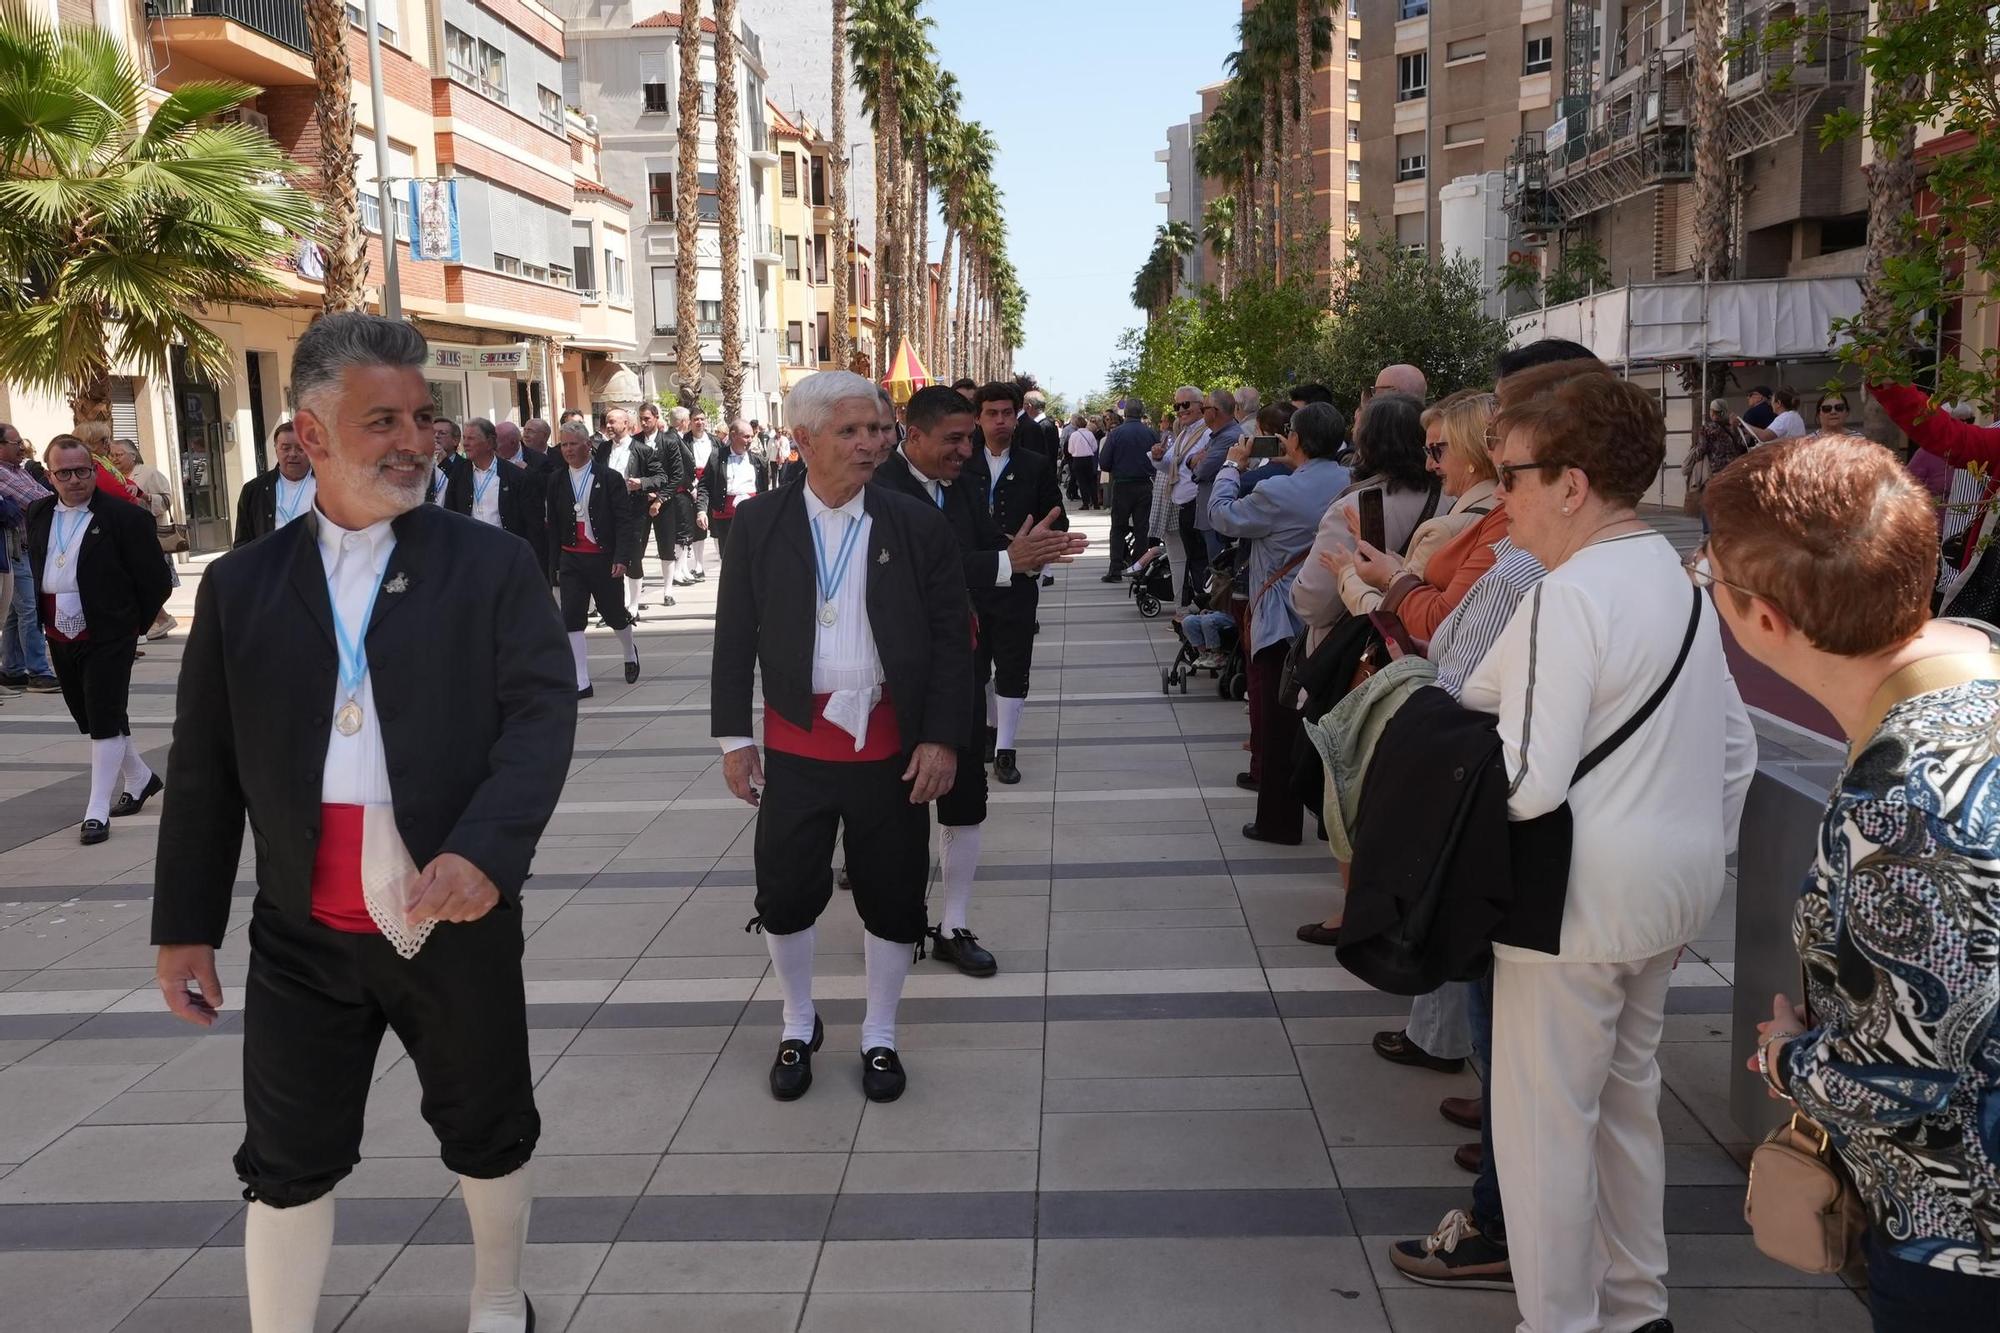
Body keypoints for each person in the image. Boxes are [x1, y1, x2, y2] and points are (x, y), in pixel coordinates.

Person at [151, 312, 576, 1333]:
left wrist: (485, 851)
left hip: (450, 912)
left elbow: (539, 714)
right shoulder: (243, 586)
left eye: (422, 417)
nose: (411, 439)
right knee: (285, 1160)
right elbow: (204, 767)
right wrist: (183, 927)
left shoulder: (489, 563)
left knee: (487, 1126)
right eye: (381, 418)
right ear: (309, 432)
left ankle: (495, 1292)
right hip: (301, 931)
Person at [1466, 369, 1755, 1333]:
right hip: (1669, 891)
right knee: (1628, 1106)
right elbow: (1738, 750)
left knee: (1547, 1131)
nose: (1498, 493)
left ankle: (1560, 1322)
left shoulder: (1568, 594)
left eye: (1510, 475)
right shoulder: (1678, 583)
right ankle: (1639, 1308)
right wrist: (1694, 857)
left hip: (1572, 900)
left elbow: (1530, 784)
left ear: (1571, 483)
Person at [1703, 435, 2000, 1326]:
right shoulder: (1973, 673)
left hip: (1961, 1236)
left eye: (1707, 572)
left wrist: (1787, 1055)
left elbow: (1912, 1070)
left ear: (1765, 620)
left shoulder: (1901, 803)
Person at [712, 370, 973, 1103]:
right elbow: (734, 638)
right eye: (852, 431)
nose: (871, 443)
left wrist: (944, 739)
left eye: (878, 429)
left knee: (892, 894)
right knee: (787, 890)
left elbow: (955, 640)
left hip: (892, 747)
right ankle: (798, 1022)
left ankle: (880, 1033)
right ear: (802, 440)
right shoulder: (760, 524)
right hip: (797, 744)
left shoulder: (914, 522)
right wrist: (734, 738)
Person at [1208, 402, 1352, 846]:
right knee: (1332, 725)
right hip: (1342, 618)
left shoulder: (1278, 491)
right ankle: (1332, 822)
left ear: (1299, 441)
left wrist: (1232, 467)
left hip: (1282, 621)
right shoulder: (1353, 484)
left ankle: (1277, 820)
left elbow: (1223, 516)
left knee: (1277, 724)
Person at [28, 435, 172, 844]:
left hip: (109, 632)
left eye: (83, 471)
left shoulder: (125, 518)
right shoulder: (37, 513)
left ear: (94, 470)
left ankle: (95, 811)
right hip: (59, 628)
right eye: (65, 473)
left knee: (105, 715)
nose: (75, 480)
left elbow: (155, 580)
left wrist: (132, 627)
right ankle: (141, 778)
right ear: (50, 474)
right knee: (92, 715)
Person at [964, 381, 1072, 783]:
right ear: (978, 418)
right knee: (977, 666)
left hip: (1018, 584)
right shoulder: (963, 465)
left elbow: (1058, 516)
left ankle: (1006, 749)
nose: (1000, 421)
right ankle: (988, 734)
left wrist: (1037, 541)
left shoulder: (1034, 464)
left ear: (1018, 414)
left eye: (1007, 413)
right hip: (973, 583)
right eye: (992, 413)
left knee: (1012, 664)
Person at [546, 419, 641, 697]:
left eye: (573, 444)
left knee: (614, 614)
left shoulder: (608, 477)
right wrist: (554, 565)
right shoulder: (557, 480)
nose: (568, 450)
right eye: (563, 444)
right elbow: (553, 525)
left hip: (603, 557)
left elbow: (624, 521)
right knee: (571, 617)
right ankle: (581, 680)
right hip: (572, 557)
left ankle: (629, 652)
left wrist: (622, 557)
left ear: (588, 445)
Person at [447, 417, 551, 581]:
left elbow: (533, 525)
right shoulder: (459, 474)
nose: (465, 443)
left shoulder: (515, 476)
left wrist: (537, 568)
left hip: (506, 557)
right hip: (471, 558)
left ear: (489, 443)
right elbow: (450, 515)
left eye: (471, 438)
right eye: (464, 438)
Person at [0, 422, 57, 693]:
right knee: (30, 610)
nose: (22, 448)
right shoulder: (3, 473)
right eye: (16, 443)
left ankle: (12, 669)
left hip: (26, 550)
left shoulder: (18, 471)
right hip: (16, 552)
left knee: (15, 612)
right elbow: (39, 503)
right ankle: (38, 671)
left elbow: (44, 497)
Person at [593, 408, 665, 614]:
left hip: (633, 511)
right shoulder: (603, 449)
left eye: (613, 422)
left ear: (626, 424)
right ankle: (615, 605)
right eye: (607, 422)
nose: (608, 426)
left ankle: (633, 605)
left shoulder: (642, 450)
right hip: (607, 511)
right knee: (609, 556)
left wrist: (641, 483)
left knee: (633, 556)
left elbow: (661, 478)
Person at [108, 438, 181, 640]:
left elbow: (167, 499)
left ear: (133, 455)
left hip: (150, 535)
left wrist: (145, 497)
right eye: (112, 455)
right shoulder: (112, 475)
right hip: (125, 536)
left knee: (146, 581)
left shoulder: (148, 473)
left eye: (119, 454)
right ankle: (156, 620)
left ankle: (162, 618)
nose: (114, 459)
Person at [1151, 386, 1212, 600]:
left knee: (1200, 560)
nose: (1180, 410)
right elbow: (1169, 464)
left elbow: (1204, 466)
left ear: (1200, 405)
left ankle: (1202, 605)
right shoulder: (1184, 433)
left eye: (1185, 405)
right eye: (1177, 406)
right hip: (1185, 505)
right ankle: (1195, 605)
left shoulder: (1206, 431)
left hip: (1198, 504)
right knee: (1193, 560)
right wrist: (1158, 457)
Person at [1097, 399, 1160, 581]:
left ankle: (1115, 569)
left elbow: (1104, 462)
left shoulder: (1116, 434)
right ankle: (1138, 568)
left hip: (1123, 484)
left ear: (1125, 414)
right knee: (1142, 528)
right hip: (1145, 484)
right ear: (1141, 413)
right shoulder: (1151, 433)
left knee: (1118, 527)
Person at [234, 421, 315, 548]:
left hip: (315, 564)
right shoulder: (254, 490)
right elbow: (242, 543)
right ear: (276, 449)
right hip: (270, 565)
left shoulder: (329, 487)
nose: (293, 454)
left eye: (300, 448)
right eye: (286, 448)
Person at [697, 418, 768, 556]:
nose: (750, 440)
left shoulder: (758, 460)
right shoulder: (716, 457)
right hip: (725, 517)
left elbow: (764, 491)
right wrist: (701, 511)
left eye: (751, 437)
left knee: (752, 555)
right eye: (746, 436)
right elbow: (705, 485)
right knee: (729, 556)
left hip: (751, 515)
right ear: (733, 435)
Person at [1190, 387, 1242, 564]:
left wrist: (1196, 463)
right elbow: (1192, 459)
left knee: (1219, 571)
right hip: (1210, 515)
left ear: (1215, 412)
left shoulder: (1229, 437)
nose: (1202, 413)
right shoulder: (1218, 436)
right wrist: (1194, 461)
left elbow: (1203, 470)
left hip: (1217, 519)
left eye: (1204, 409)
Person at [682, 411, 719, 579]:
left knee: (718, 526)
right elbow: (680, 467)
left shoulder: (715, 441)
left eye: (702, 419)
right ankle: (698, 564)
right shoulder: (684, 442)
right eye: (695, 419)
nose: (699, 422)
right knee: (698, 528)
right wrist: (691, 486)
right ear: (690, 421)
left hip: (713, 486)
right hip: (693, 487)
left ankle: (723, 560)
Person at [1064, 412, 1100, 510]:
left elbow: (1070, 450)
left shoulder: (1074, 435)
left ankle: (1085, 503)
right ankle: (1095, 502)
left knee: (1082, 482)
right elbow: (1095, 447)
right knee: (1092, 481)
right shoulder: (1090, 434)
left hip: (1077, 460)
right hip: (1088, 459)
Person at [428, 419, 461, 503]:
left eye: (442, 433)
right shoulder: (425, 465)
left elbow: (461, 487)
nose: (436, 436)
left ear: (455, 440)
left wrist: (444, 462)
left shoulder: (465, 465)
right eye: (433, 433)